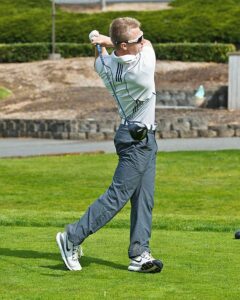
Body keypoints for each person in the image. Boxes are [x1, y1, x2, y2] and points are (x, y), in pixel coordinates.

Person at [56, 17, 163, 273]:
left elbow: (100, 57)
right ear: (125, 46)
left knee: (144, 199)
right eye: (136, 39)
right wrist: (106, 39)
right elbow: (148, 45)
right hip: (137, 142)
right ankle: (72, 236)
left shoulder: (105, 65)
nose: (142, 40)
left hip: (140, 138)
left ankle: (139, 253)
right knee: (116, 197)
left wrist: (102, 43)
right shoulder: (141, 69)